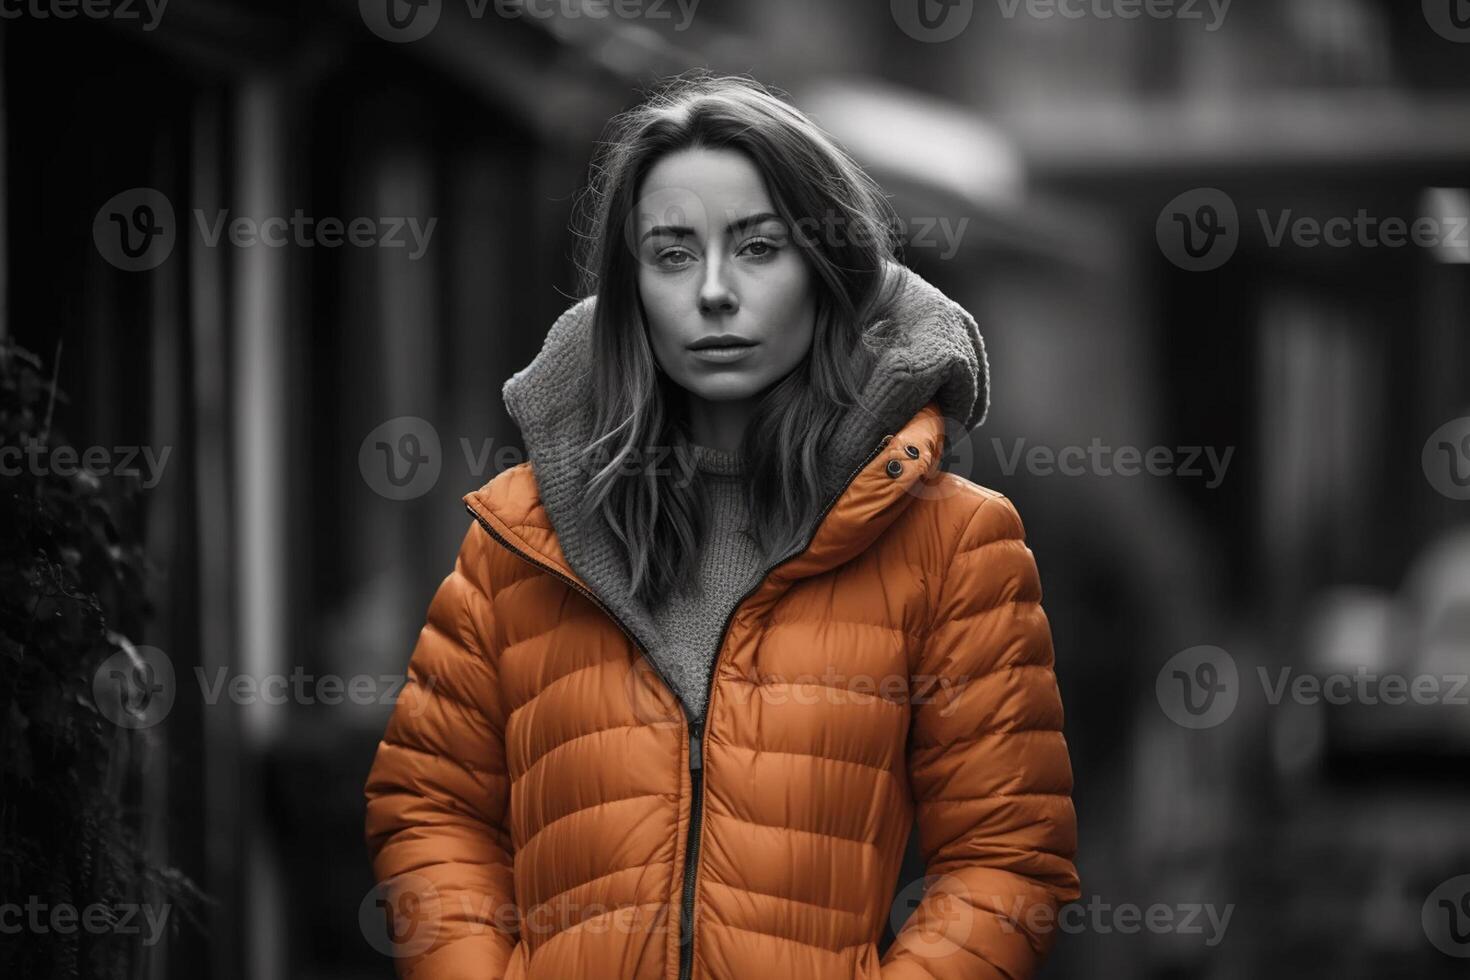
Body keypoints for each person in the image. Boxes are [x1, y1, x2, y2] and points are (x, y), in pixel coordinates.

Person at [363, 71, 1079, 980]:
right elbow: (430, 808)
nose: (712, 291)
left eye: (757, 249)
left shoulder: (951, 543)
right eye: (671, 253)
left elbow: (1007, 858)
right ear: (631, 289)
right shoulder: (522, 536)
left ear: (827, 273)